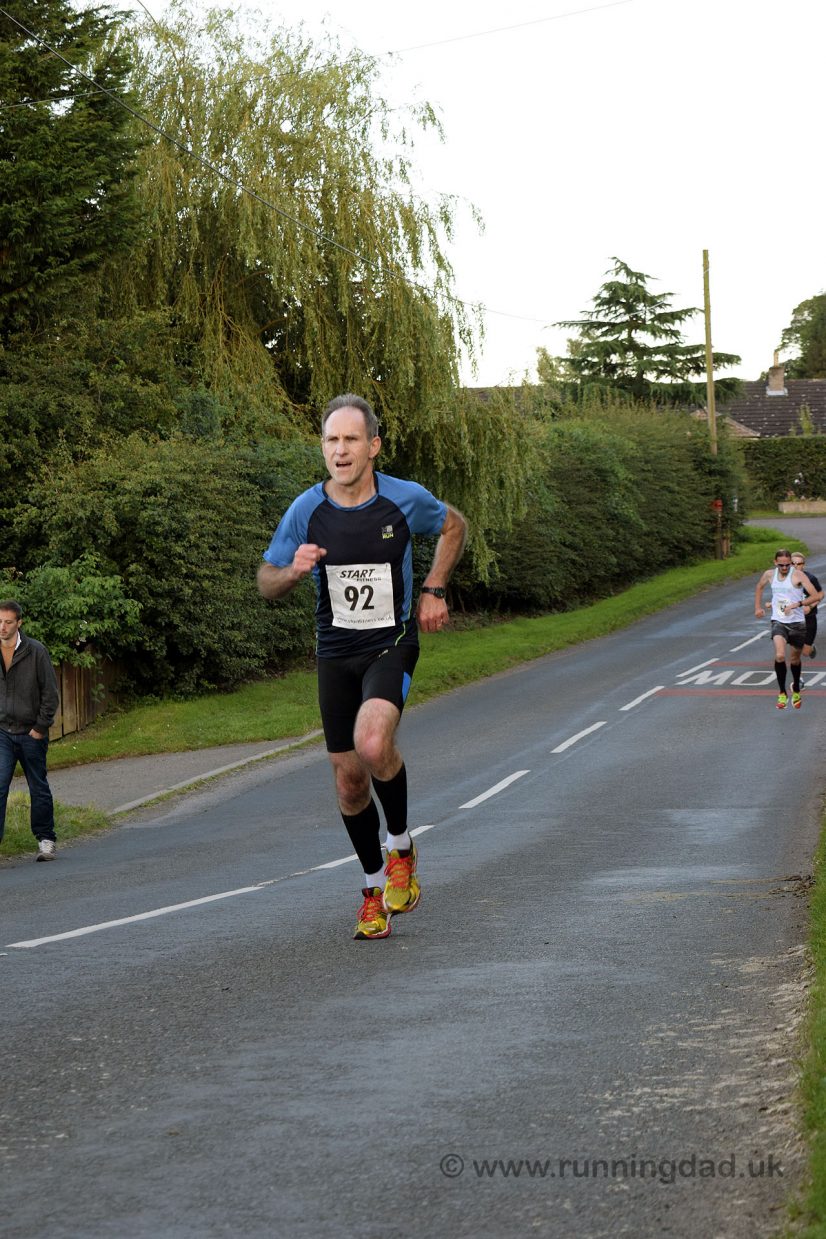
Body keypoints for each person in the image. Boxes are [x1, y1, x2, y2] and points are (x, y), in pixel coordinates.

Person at [257, 394, 467, 940]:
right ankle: (373, 889)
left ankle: (400, 846)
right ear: (323, 448)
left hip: (390, 642)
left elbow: (454, 526)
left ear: (372, 447)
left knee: (374, 744)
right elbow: (266, 580)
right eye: (332, 440)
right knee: (349, 781)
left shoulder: (403, 500)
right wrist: (291, 572)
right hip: (335, 653)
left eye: (352, 439)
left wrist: (434, 587)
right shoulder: (306, 510)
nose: (341, 450)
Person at [0, 600, 60, 859]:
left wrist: (40, 727)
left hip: (31, 733)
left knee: (38, 786)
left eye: (8, 622)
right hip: (2, 733)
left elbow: (50, 693)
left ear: (19, 623)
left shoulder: (36, 652)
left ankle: (46, 839)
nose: (2, 627)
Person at [754, 549, 820, 709]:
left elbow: (816, 595)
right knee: (780, 655)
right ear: (775, 562)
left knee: (795, 660)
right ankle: (782, 692)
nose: (785, 568)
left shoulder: (798, 576)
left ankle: (796, 689)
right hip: (779, 621)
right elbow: (759, 587)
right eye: (781, 565)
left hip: (797, 623)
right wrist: (758, 607)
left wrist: (798, 604)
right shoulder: (769, 574)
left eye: (787, 565)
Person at [790, 552, 822, 663]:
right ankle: (798, 678)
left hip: (809, 619)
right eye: (793, 563)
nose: (795, 566)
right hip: (793, 620)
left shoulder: (810, 579)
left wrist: (810, 606)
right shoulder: (784, 580)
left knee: (805, 652)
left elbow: (820, 595)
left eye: (799, 564)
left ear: (803, 565)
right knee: (794, 653)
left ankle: (811, 647)